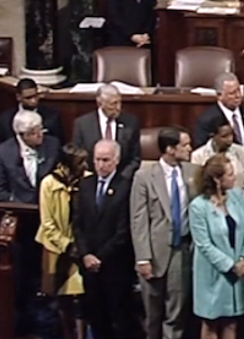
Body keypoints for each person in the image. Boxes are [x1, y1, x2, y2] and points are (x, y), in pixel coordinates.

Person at [0, 109, 59, 336]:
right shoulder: (2, 153)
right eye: (35, 132)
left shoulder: (53, 146)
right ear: (22, 135)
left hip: (49, 221)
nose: (41, 135)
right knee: (21, 276)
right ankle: (21, 323)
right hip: (20, 225)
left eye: (41, 129)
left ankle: (51, 324)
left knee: (48, 275)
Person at [132, 127, 201, 339]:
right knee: (153, 313)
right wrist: (143, 258)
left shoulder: (193, 172)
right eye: (185, 144)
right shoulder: (144, 176)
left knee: (176, 312)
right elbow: (138, 219)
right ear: (170, 149)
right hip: (154, 251)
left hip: (182, 250)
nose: (190, 148)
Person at [73, 140, 135, 339]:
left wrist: (99, 257)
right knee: (95, 315)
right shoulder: (85, 185)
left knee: (119, 317)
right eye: (97, 159)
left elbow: (123, 231)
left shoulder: (126, 187)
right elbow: (77, 224)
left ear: (116, 161)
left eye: (106, 160)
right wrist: (85, 255)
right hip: (89, 265)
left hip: (115, 265)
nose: (101, 164)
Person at [190, 155, 244, 339]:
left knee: (231, 322)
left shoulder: (236, 197)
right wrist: (230, 265)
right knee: (211, 324)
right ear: (217, 179)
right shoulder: (198, 206)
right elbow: (204, 244)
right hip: (213, 274)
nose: (234, 178)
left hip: (238, 273)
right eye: (230, 174)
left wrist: (243, 258)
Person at [37, 144, 91, 339]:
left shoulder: (87, 180)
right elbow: (47, 223)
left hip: (82, 247)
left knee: (82, 298)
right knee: (62, 298)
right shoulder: (49, 184)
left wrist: (81, 245)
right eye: (80, 162)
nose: (85, 165)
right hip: (56, 248)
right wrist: (67, 245)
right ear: (67, 164)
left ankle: (82, 335)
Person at [192, 72, 244, 175]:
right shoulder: (207, 120)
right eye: (232, 93)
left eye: (238, 91)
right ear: (219, 95)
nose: (238, 96)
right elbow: (204, 151)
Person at [191, 116, 244, 218]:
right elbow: (197, 188)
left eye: (231, 135)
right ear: (213, 136)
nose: (229, 139)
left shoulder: (240, 151)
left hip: (239, 206)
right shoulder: (198, 155)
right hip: (211, 210)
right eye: (224, 136)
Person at [72, 83, 142, 178]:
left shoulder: (130, 122)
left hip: (122, 180)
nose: (118, 108)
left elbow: (135, 158)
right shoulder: (83, 124)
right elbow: (78, 156)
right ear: (100, 103)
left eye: (119, 102)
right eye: (113, 104)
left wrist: (123, 178)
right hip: (91, 179)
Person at [0, 77, 65, 144]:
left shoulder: (52, 117)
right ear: (18, 97)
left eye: (36, 96)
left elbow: (58, 145)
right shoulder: (5, 119)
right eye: (28, 98)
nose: (33, 101)